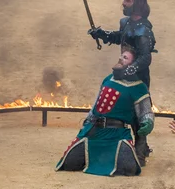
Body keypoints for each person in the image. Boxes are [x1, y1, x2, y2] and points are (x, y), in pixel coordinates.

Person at [55, 46, 154, 176]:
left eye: (125, 58)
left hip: (117, 135)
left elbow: (146, 112)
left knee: (129, 168)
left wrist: (148, 122)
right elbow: (97, 103)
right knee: (69, 163)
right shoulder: (108, 79)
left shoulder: (139, 87)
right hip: (94, 132)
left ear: (134, 65)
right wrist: (88, 119)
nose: (120, 59)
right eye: (121, 56)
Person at [88, 0, 156, 165]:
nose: (124, 3)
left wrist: (127, 71)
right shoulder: (125, 22)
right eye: (125, 0)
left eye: (128, 1)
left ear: (138, 4)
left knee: (139, 114)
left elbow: (145, 58)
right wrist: (103, 35)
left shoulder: (144, 31)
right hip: (123, 72)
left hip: (139, 79)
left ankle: (141, 152)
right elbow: (121, 37)